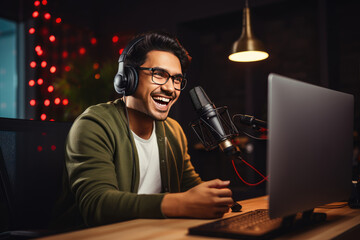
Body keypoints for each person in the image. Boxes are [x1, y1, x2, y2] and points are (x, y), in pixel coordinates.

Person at [52, 31, 233, 230]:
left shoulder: (173, 131)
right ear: (128, 78)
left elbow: (189, 187)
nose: (171, 89)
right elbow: (97, 205)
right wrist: (181, 203)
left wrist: (212, 197)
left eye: (177, 79)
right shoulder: (94, 125)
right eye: (159, 74)